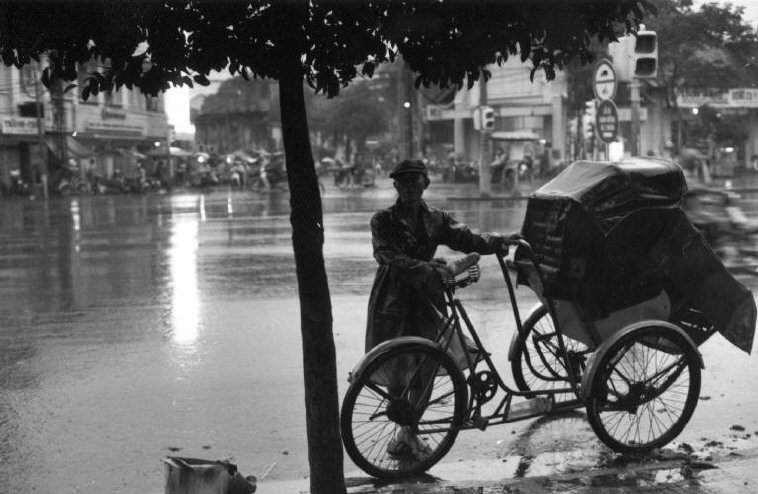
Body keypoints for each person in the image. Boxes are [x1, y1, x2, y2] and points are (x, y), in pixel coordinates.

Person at [366, 158, 519, 457]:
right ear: (395, 185)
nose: (409, 186)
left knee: (427, 363)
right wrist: (431, 270)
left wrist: (499, 241)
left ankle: (409, 433)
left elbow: (467, 238)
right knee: (396, 365)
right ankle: (402, 422)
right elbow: (387, 256)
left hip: (427, 299)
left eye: (415, 180)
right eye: (403, 181)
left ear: (426, 183)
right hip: (393, 298)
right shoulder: (382, 220)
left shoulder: (436, 218)